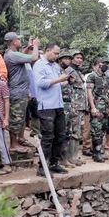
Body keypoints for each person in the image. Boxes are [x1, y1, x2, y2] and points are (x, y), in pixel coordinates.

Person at [33, 43, 70, 176]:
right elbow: (41, 83)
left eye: (58, 53)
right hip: (46, 106)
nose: (57, 56)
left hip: (58, 105)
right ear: (48, 51)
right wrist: (59, 79)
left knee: (60, 135)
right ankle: (42, 167)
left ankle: (54, 163)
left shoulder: (55, 66)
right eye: (55, 53)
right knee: (48, 137)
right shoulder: (39, 64)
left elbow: (57, 84)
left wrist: (65, 81)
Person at [3, 32, 40, 153]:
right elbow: (34, 58)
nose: (20, 41)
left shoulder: (12, 54)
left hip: (21, 92)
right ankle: (13, 145)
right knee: (16, 119)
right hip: (17, 92)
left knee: (21, 118)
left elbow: (22, 56)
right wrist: (35, 46)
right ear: (13, 41)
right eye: (18, 39)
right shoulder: (12, 55)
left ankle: (17, 141)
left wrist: (28, 48)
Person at [63, 50, 88, 166]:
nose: (79, 60)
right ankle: (69, 157)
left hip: (80, 106)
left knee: (77, 132)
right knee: (72, 132)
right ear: (72, 59)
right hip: (73, 106)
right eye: (77, 57)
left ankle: (74, 156)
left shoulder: (78, 72)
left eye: (81, 58)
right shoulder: (69, 70)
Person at [86, 57, 109, 163]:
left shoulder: (106, 77)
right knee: (96, 130)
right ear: (97, 64)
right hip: (97, 108)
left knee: (102, 131)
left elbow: (107, 93)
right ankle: (96, 153)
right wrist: (92, 107)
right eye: (103, 63)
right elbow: (89, 92)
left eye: (106, 63)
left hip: (105, 108)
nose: (105, 65)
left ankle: (100, 151)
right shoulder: (92, 76)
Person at [57, 49, 76, 169]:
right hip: (61, 105)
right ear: (60, 59)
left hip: (69, 105)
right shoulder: (57, 70)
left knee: (68, 133)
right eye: (65, 58)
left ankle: (66, 158)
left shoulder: (66, 72)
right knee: (62, 133)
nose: (68, 60)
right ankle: (60, 159)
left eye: (69, 58)